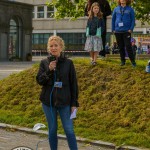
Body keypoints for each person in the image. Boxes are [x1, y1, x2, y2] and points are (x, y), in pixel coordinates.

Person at [36, 35, 79, 150]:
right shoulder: (44, 62)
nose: (53, 48)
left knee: (69, 130)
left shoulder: (68, 63)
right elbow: (40, 81)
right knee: (52, 130)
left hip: (65, 102)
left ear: (61, 47)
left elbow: (73, 84)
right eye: (51, 46)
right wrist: (49, 70)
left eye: (56, 46)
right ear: (48, 48)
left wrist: (74, 103)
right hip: (48, 103)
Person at [112, 0, 136, 67]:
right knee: (120, 47)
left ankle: (133, 62)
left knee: (128, 46)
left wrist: (131, 29)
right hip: (117, 31)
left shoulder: (130, 9)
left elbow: (133, 20)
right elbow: (113, 19)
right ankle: (123, 61)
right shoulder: (116, 9)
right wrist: (113, 29)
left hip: (126, 31)